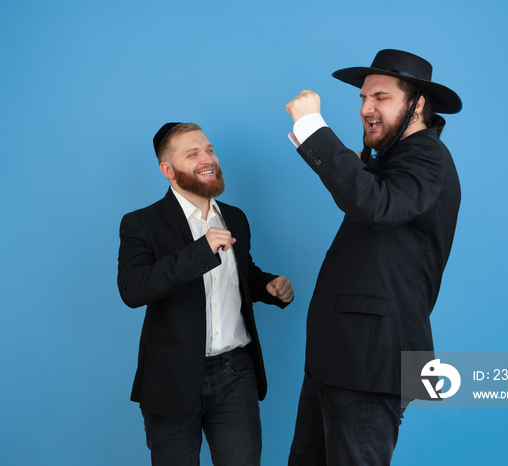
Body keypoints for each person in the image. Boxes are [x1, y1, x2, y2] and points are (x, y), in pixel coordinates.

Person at [284, 49, 462, 465]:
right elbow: (366, 198)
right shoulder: (398, 161)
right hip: (340, 359)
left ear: (417, 104)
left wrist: (312, 127)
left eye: (380, 97)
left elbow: (374, 206)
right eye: (363, 98)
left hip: (371, 363)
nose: (366, 108)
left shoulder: (427, 154)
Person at [117, 122, 294, 465]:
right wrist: (200, 252)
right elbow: (133, 288)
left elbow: (242, 275)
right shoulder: (141, 223)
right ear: (168, 170)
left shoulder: (236, 218)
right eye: (193, 154)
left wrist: (269, 287)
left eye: (209, 150)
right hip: (171, 377)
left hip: (236, 374)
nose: (207, 159)